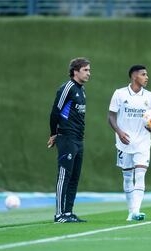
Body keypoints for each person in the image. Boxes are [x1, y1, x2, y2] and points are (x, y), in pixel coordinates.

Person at [108, 65, 151, 221]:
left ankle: (136, 211)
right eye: (143, 74)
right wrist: (119, 132)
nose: (147, 77)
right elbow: (110, 116)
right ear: (134, 76)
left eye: (147, 74)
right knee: (127, 176)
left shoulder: (150, 96)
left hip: (143, 142)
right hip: (124, 142)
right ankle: (131, 211)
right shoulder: (119, 94)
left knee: (140, 175)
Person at [48, 58, 90, 223]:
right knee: (64, 175)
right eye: (85, 70)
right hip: (66, 137)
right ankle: (59, 214)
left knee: (74, 176)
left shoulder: (82, 90)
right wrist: (54, 134)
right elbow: (55, 112)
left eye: (88, 70)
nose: (88, 73)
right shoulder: (67, 88)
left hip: (79, 139)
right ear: (75, 71)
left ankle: (68, 212)